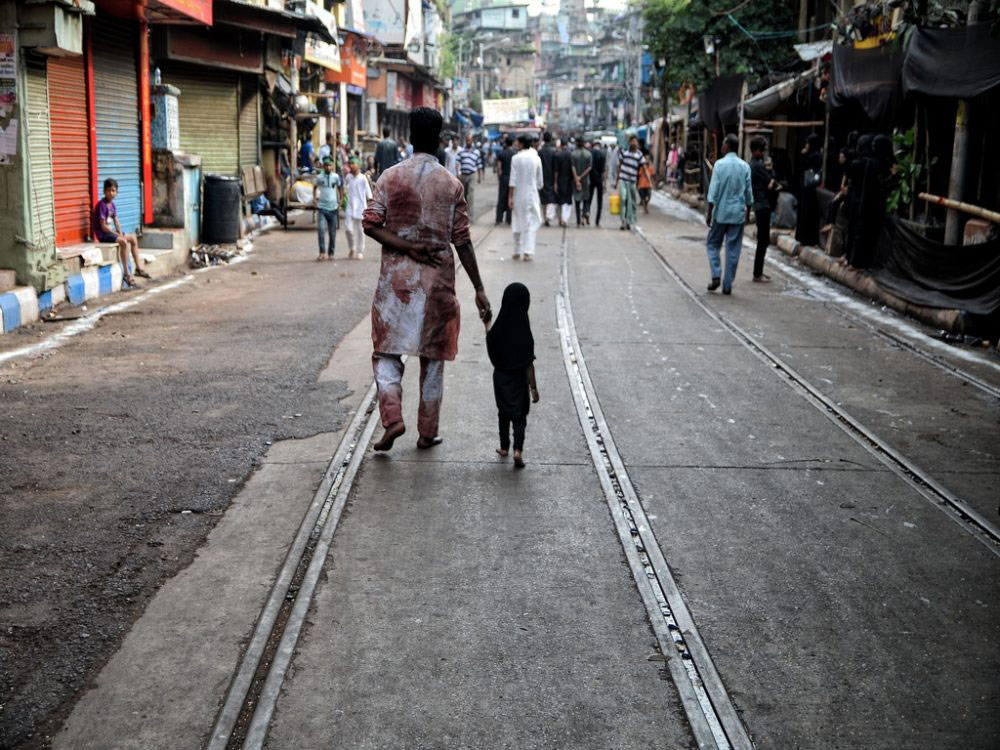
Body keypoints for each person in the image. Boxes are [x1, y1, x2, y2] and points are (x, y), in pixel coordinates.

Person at [362, 107, 492, 451]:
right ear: (439, 140)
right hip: (437, 287)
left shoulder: (389, 177)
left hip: (395, 287)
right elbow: (462, 240)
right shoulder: (451, 184)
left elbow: (371, 224)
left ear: (409, 137)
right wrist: (479, 288)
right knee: (432, 359)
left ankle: (393, 419)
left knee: (386, 354)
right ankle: (427, 431)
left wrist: (407, 246)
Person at [486, 282, 539, 469]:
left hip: (500, 380)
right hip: (519, 382)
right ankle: (518, 450)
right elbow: (529, 365)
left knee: (503, 413)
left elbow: (490, 340)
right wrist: (533, 389)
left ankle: (503, 447)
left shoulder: (499, 329)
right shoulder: (525, 333)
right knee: (519, 417)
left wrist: (487, 322)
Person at [704, 133, 753, 295]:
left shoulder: (719, 165)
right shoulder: (745, 166)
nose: (722, 147)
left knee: (712, 244)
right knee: (733, 249)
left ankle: (716, 274)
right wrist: (747, 215)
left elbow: (713, 192)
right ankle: (727, 284)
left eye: (724, 144)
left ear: (728, 146)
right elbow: (748, 194)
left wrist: (709, 213)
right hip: (737, 214)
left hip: (721, 213)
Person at [92, 178, 150, 287]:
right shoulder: (102, 205)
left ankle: (138, 268)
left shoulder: (112, 205)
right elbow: (103, 226)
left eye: (113, 190)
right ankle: (127, 274)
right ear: (104, 191)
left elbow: (116, 221)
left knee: (133, 238)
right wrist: (118, 235)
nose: (111, 193)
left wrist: (119, 231)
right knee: (123, 242)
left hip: (111, 232)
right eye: (108, 190)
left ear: (117, 192)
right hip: (103, 234)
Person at [749, 136, 780, 282]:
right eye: (761, 150)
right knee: (763, 240)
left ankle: (758, 272)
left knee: (763, 240)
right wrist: (773, 180)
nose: (763, 153)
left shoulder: (755, 165)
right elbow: (770, 182)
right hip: (763, 205)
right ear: (755, 151)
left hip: (760, 204)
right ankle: (757, 273)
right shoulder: (757, 166)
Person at [508, 133, 543, 261]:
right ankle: (527, 252)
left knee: (517, 221)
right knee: (530, 222)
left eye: (518, 142)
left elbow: (512, 180)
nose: (516, 144)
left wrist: (510, 197)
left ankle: (517, 250)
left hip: (518, 194)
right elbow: (540, 182)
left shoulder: (515, 158)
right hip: (532, 195)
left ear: (522, 143)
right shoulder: (536, 158)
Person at [795, 133, 822, 246]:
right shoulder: (816, 155)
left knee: (807, 213)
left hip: (809, 189)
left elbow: (805, 169)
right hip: (809, 188)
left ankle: (806, 239)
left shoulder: (813, 156)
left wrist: (803, 155)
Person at [313, 157, 342, 261]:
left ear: (332, 166)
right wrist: (314, 199)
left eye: (330, 165)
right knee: (321, 230)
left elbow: (340, 188)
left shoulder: (336, 177)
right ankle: (322, 252)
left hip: (333, 208)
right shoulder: (319, 177)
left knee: (332, 232)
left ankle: (331, 253)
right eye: (326, 165)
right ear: (323, 166)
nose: (328, 167)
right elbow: (314, 187)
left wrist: (341, 200)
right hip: (322, 207)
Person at [344, 158, 372, 260]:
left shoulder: (363, 178)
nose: (351, 166)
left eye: (353, 164)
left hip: (361, 207)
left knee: (360, 231)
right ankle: (352, 248)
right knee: (348, 229)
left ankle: (360, 251)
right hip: (350, 207)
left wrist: (370, 208)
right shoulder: (348, 177)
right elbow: (345, 189)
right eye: (350, 163)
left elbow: (369, 195)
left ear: (358, 165)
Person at [615, 135, 644, 231]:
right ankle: (623, 221)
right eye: (632, 141)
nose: (634, 143)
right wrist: (616, 181)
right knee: (623, 199)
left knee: (631, 202)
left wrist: (647, 181)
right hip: (623, 179)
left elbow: (643, 168)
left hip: (632, 181)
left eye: (635, 141)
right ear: (629, 142)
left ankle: (628, 221)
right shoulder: (624, 153)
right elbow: (619, 166)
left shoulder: (639, 155)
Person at [457, 134, 482, 214]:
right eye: (467, 140)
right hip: (463, 175)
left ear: (472, 141)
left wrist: (479, 177)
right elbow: (457, 163)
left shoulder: (476, 152)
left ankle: (470, 215)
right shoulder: (461, 151)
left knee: (470, 195)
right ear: (465, 141)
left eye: (470, 140)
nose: (468, 142)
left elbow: (479, 165)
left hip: (471, 175)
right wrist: (458, 174)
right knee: (463, 195)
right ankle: (464, 212)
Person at [571, 137, 592, 226]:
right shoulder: (588, 154)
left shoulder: (573, 154)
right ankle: (585, 215)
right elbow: (589, 167)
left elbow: (573, 167)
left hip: (576, 181)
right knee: (586, 199)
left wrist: (577, 178)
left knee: (577, 200)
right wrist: (582, 177)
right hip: (586, 180)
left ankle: (578, 222)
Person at [553, 138, 574, 227]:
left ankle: (560, 219)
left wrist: (555, 183)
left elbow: (556, 171)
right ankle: (565, 219)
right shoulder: (571, 155)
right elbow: (573, 169)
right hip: (569, 180)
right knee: (568, 201)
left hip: (560, 180)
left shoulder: (557, 155)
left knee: (559, 201)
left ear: (561, 144)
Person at [538, 132, 557, 226]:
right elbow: (556, 167)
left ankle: (544, 216)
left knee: (543, 198)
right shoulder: (553, 151)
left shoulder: (540, 151)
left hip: (541, 177)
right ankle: (548, 217)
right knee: (550, 198)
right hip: (551, 176)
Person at [495, 136, 515, 225]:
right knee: (510, 197)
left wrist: (499, 177)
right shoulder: (515, 154)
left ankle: (499, 219)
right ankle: (509, 219)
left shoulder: (501, 154)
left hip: (504, 178)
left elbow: (499, 168)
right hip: (512, 178)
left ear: (505, 143)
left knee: (501, 198)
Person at [588, 140, 607, 227]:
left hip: (591, 180)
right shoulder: (602, 154)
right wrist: (604, 184)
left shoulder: (590, 153)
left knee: (589, 199)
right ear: (599, 145)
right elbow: (603, 171)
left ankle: (587, 214)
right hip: (599, 180)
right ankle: (597, 221)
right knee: (599, 201)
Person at [637, 147, 654, 214]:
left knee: (649, 197)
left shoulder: (651, 168)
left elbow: (652, 176)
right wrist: (637, 184)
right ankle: (645, 207)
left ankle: (645, 205)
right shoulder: (642, 168)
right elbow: (639, 176)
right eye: (646, 159)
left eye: (648, 159)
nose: (647, 160)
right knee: (643, 198)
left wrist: (653, 183)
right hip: (642, 185)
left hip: (648, 185)